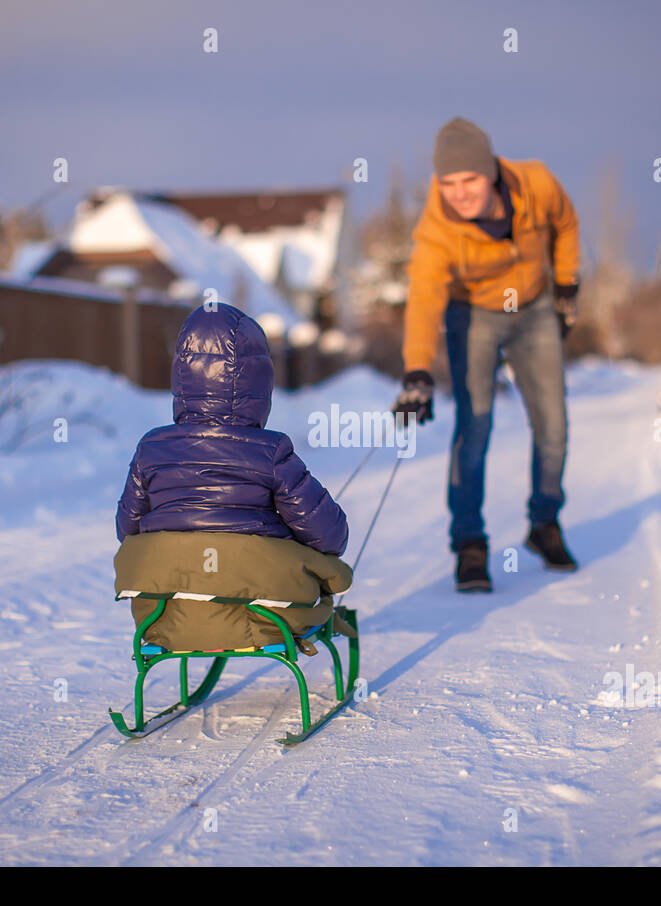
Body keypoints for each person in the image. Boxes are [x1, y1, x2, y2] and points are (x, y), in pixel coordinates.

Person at [393, 117, 581, 592]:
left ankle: (544, 523)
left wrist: (566, 285)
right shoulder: (437, 232)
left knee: (553, 425)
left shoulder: (536, 182)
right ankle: (470, 544)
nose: (458, 192)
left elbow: (567, 223)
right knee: (475, 425)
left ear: (491, 172)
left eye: (469, 180)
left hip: (536, 306)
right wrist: (417, 368)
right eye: (448, 182)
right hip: (473, 313)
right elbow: (423, 298)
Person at [114, 303, 351, 651]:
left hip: (166, 620)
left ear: (180, 375)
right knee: (319, 567)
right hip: (265, 619)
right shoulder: (270, 451)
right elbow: (330, 536)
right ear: (259, 383)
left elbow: (127, 530)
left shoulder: (151, 449)